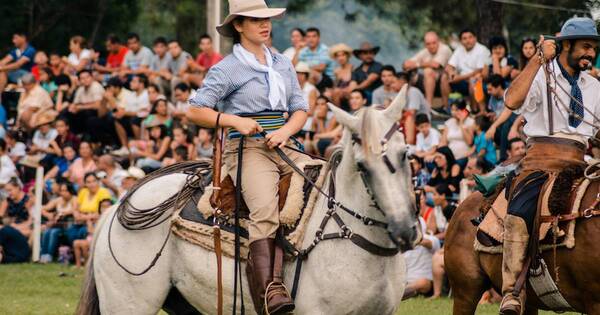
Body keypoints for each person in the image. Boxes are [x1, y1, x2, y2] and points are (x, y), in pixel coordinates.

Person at [186, 1, 309, 312]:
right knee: (265, 210)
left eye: (266, 20)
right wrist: (234, 121)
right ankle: (270, 293)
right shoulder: (227, 68)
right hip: (247, 147)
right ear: (238, 26)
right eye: (255, 20)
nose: (264, 25)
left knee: (325, 187)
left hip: (284, 142)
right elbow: (195, 110)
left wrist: (285, 132)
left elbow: (300, 109)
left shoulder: (282, 62)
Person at [500, 17, 600, 315]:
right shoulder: (540, 75)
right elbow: (511, 100)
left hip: (580, 161)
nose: (590, 53)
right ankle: (511, 292)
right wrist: (537, 59)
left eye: (593, 48)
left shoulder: (594, 85)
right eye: (584, 46)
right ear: (564, 46)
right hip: (540, 162)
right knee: (520, 211)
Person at [444, 29, 491, 113]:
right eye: (464, 38)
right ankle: (446, 108)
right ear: (461, 41)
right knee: (444, 78)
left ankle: (474, 111)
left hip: (478, 81)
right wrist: (451, 73)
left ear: (475, 38)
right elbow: (449, 66)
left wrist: (458, 77)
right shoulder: (459, 49)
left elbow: (479, 71)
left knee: (473, 80)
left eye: (470, 37)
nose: (467, 41)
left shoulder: (482, 50)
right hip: (463, 81)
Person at [403, 31, 453, 107]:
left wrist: (417, 64)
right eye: (428, 44)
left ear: (438, 41)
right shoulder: (425, 51)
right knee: (410, 75)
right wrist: (422, 64)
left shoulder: (444, 49)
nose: (431, 46)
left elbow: (436, 65)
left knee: (428, 71)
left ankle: (428, 105)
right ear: (425, 44)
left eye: (434, 43)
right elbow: (406, 64)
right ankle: (407, 105)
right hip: (430, 83)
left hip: (448, 83)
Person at [66, 172, 111, 246]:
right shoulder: (83, 192)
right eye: (88, 182)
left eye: (94, 181)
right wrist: (76, 215)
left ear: (98, 182)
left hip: (95, 222)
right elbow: (76, 208)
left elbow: (104, 211)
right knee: (71, 232)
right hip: (81, 221)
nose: (92, 184)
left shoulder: (103, 192)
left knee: (82, 232)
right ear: (85, 184)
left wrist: (85, 217)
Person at [39, 181, 77, 263]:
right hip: (57, 225)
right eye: (61, 190)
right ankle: (43, 255)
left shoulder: (74, 199)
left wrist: (62, 213)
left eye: (65, 190)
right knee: (47, 232)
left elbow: (74, 210)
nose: (63, 193)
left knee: (53, 232)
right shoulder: (58, 200)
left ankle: (49, 255)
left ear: (70, 191)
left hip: (68, 227)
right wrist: (48, 215)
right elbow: (43, 208)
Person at [485, 74, 517, 162]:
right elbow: (497, 113)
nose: (488, 92)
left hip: (515, 119)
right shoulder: (492, 98)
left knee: (506, 122)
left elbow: (508, 112)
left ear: (498, 87)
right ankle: (489, 160)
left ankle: (503, 158)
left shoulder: (509, 93)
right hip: (501, 124)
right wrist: (493, 115)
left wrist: (494, 126)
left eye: (490, 89)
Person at [440, 99, 474, 166]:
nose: (453, 112)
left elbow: (469, 142)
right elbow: (443, 143)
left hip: (464, 157)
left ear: (464, 110)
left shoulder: (470, 122)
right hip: (450, 157)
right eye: (452, 110)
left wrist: (461, 123)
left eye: (456, 110)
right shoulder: (448, 122)